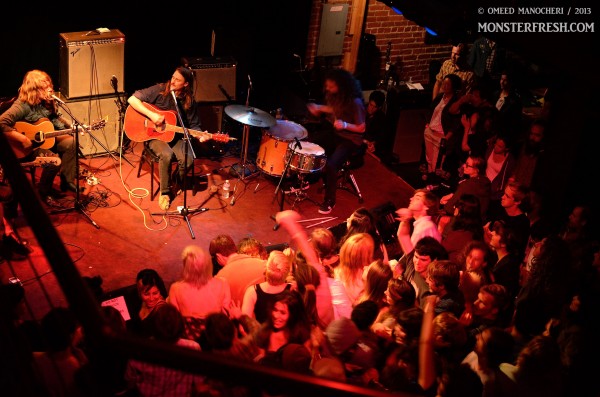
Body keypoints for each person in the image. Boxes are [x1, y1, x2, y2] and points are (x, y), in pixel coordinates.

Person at [127, 66, 208, 211]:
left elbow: (194, 126)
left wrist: (200, 135)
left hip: (176, 136)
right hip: (154, 135)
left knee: (188, 159)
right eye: (173, 77)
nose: (173, 81)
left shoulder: (189, 102)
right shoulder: (159, 89)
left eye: (178, 80)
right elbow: (132, 99)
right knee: (166, 154)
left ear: (186, 84)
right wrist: (152, 116)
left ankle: (176, 181)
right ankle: (165, 192)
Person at [0, 70, 79, 203]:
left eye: (50, 87)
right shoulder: (22, 105)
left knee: (70, 142)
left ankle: (67, 181)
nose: (50, 90)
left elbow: (54, 120)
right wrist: (23, 139)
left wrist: (71, 128)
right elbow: (1, 122)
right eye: (45, 88)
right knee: (53, 162)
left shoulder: (45, 102)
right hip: (26, 146)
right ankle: (44, 191)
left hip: (45, 138)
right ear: (34, 89)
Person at [306, 68, 366, 214]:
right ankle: (307, 179)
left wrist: (345, 125)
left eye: (331, 86)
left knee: (332, 165)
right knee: (311, 143)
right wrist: (319, 107)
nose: (328, 88)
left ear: (342, 86)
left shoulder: (355, 102)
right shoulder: (339, 97)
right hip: (337, 134)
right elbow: (334, 109)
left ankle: (330, 201)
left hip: (351, 140)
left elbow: (362, 128)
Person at [167, 244, 231, 342]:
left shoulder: (175, 288)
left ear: (185, 267)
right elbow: (226, 315)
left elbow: (174, 322)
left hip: (188, 342)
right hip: (215, 340)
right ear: (208, 264)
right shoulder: (223, 283)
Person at [423, 73, 462, 174]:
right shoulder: (440, 96)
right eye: (444, 83)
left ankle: (433, 180)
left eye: (447, 84)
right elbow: (431, 109)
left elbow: (456, 123)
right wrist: (427, 124)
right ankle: (428, 178)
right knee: (428, 159)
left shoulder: (455, 102)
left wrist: (447, 137)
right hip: (430, 131)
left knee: (437, 162)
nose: (444, 86)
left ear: (453, 87)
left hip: (441, 135)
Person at [241, 250, 292, 324]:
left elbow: (244, 325)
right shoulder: (293, 289)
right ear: (287, 272)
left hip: (263, 334)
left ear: (266, 270)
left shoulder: (253, 291)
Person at [396, 188, 442, 255]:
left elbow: (412, 256)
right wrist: (405, 220)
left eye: (417, 198)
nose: (411, 199)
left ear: (426, 206)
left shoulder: (426, 226)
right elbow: (404, 238)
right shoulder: (422, 224)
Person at [128, 268, 169, 337]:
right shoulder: (135, 300)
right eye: (146, 294)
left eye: (155, 293)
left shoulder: (162, 312)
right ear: (139, 292)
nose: (151, 299)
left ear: (160, 291)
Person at [363, 90, 387, 156]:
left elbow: (381, 136)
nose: (371, 108)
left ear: (379, 108)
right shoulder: (361, 110)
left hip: (370, 148)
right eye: (370, 105)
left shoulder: (381, 118)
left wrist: (373, 143)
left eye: (375, 107)